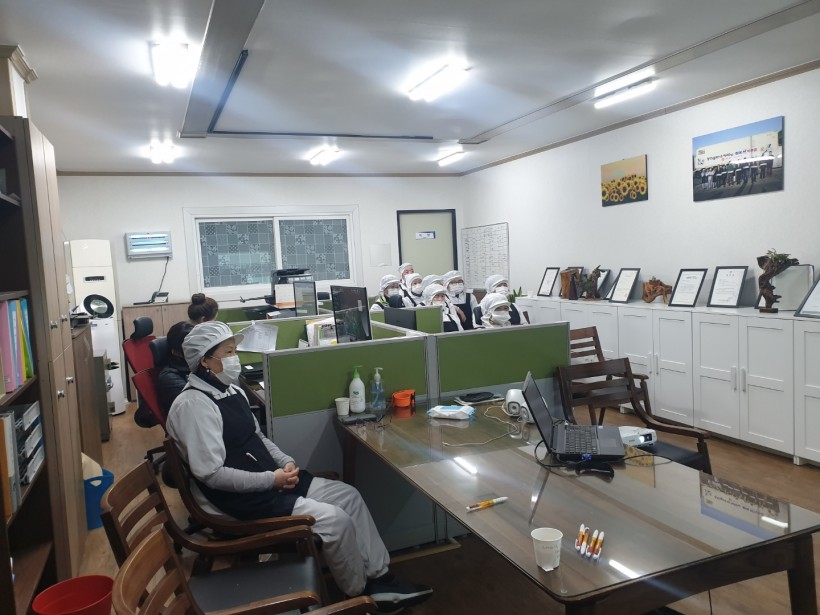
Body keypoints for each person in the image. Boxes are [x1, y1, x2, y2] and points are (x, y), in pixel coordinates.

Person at [166, 322, 433, 611]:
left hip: (268, 481)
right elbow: (212, 474)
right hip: (237, 501)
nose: (235, 359)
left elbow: (257, 437)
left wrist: (285, 462)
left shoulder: (231, 390)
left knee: (348, 496)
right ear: (205, 361)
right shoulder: (193, 406)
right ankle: (359, 595)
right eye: (228, 353)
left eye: (234, 351)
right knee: (336, 521)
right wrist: (272, 479)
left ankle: (381, 578)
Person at [157, 321, 194, 413]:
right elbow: (191, 407)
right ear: (175, 351)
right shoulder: (170, 377)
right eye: (191, 347)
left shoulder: (195, 365)